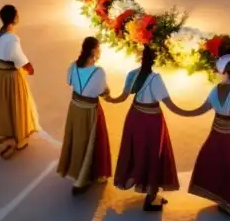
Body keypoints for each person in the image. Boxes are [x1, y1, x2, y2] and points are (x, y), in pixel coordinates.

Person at [110, 46, 189, 211]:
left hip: (134, 116)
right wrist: (188, 113)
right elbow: (169, 104)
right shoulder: (156, 79)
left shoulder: (132, 75)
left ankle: (135, 179)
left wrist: (108, 97)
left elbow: (122, 97)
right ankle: (151, 196)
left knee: (135, 151)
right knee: (153, 154)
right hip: (152, 120)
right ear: (155, 60)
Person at [182, 54, 230, 215]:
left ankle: (222, 199)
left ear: (223, 72)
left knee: (218, 165)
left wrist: (182, 111)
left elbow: (202, 108)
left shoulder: (215, 90)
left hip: (217, 133)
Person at [0, 5, 40, 160]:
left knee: (3, 105)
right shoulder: (12, 39)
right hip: (9, 77)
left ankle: (4, 134)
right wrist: (29, 68)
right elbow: (20, 59)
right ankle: (19, 139)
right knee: (16, 106)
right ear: (15, 18)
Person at [57, 36, 113, 194]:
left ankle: (76, 172)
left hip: (75, 108)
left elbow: (69, 82)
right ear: (94, 51)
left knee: (76, 139)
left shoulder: (73, 66)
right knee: (91, 142)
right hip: (90, 110)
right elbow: (103, 92)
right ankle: (84, 177)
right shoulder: (98, 71)